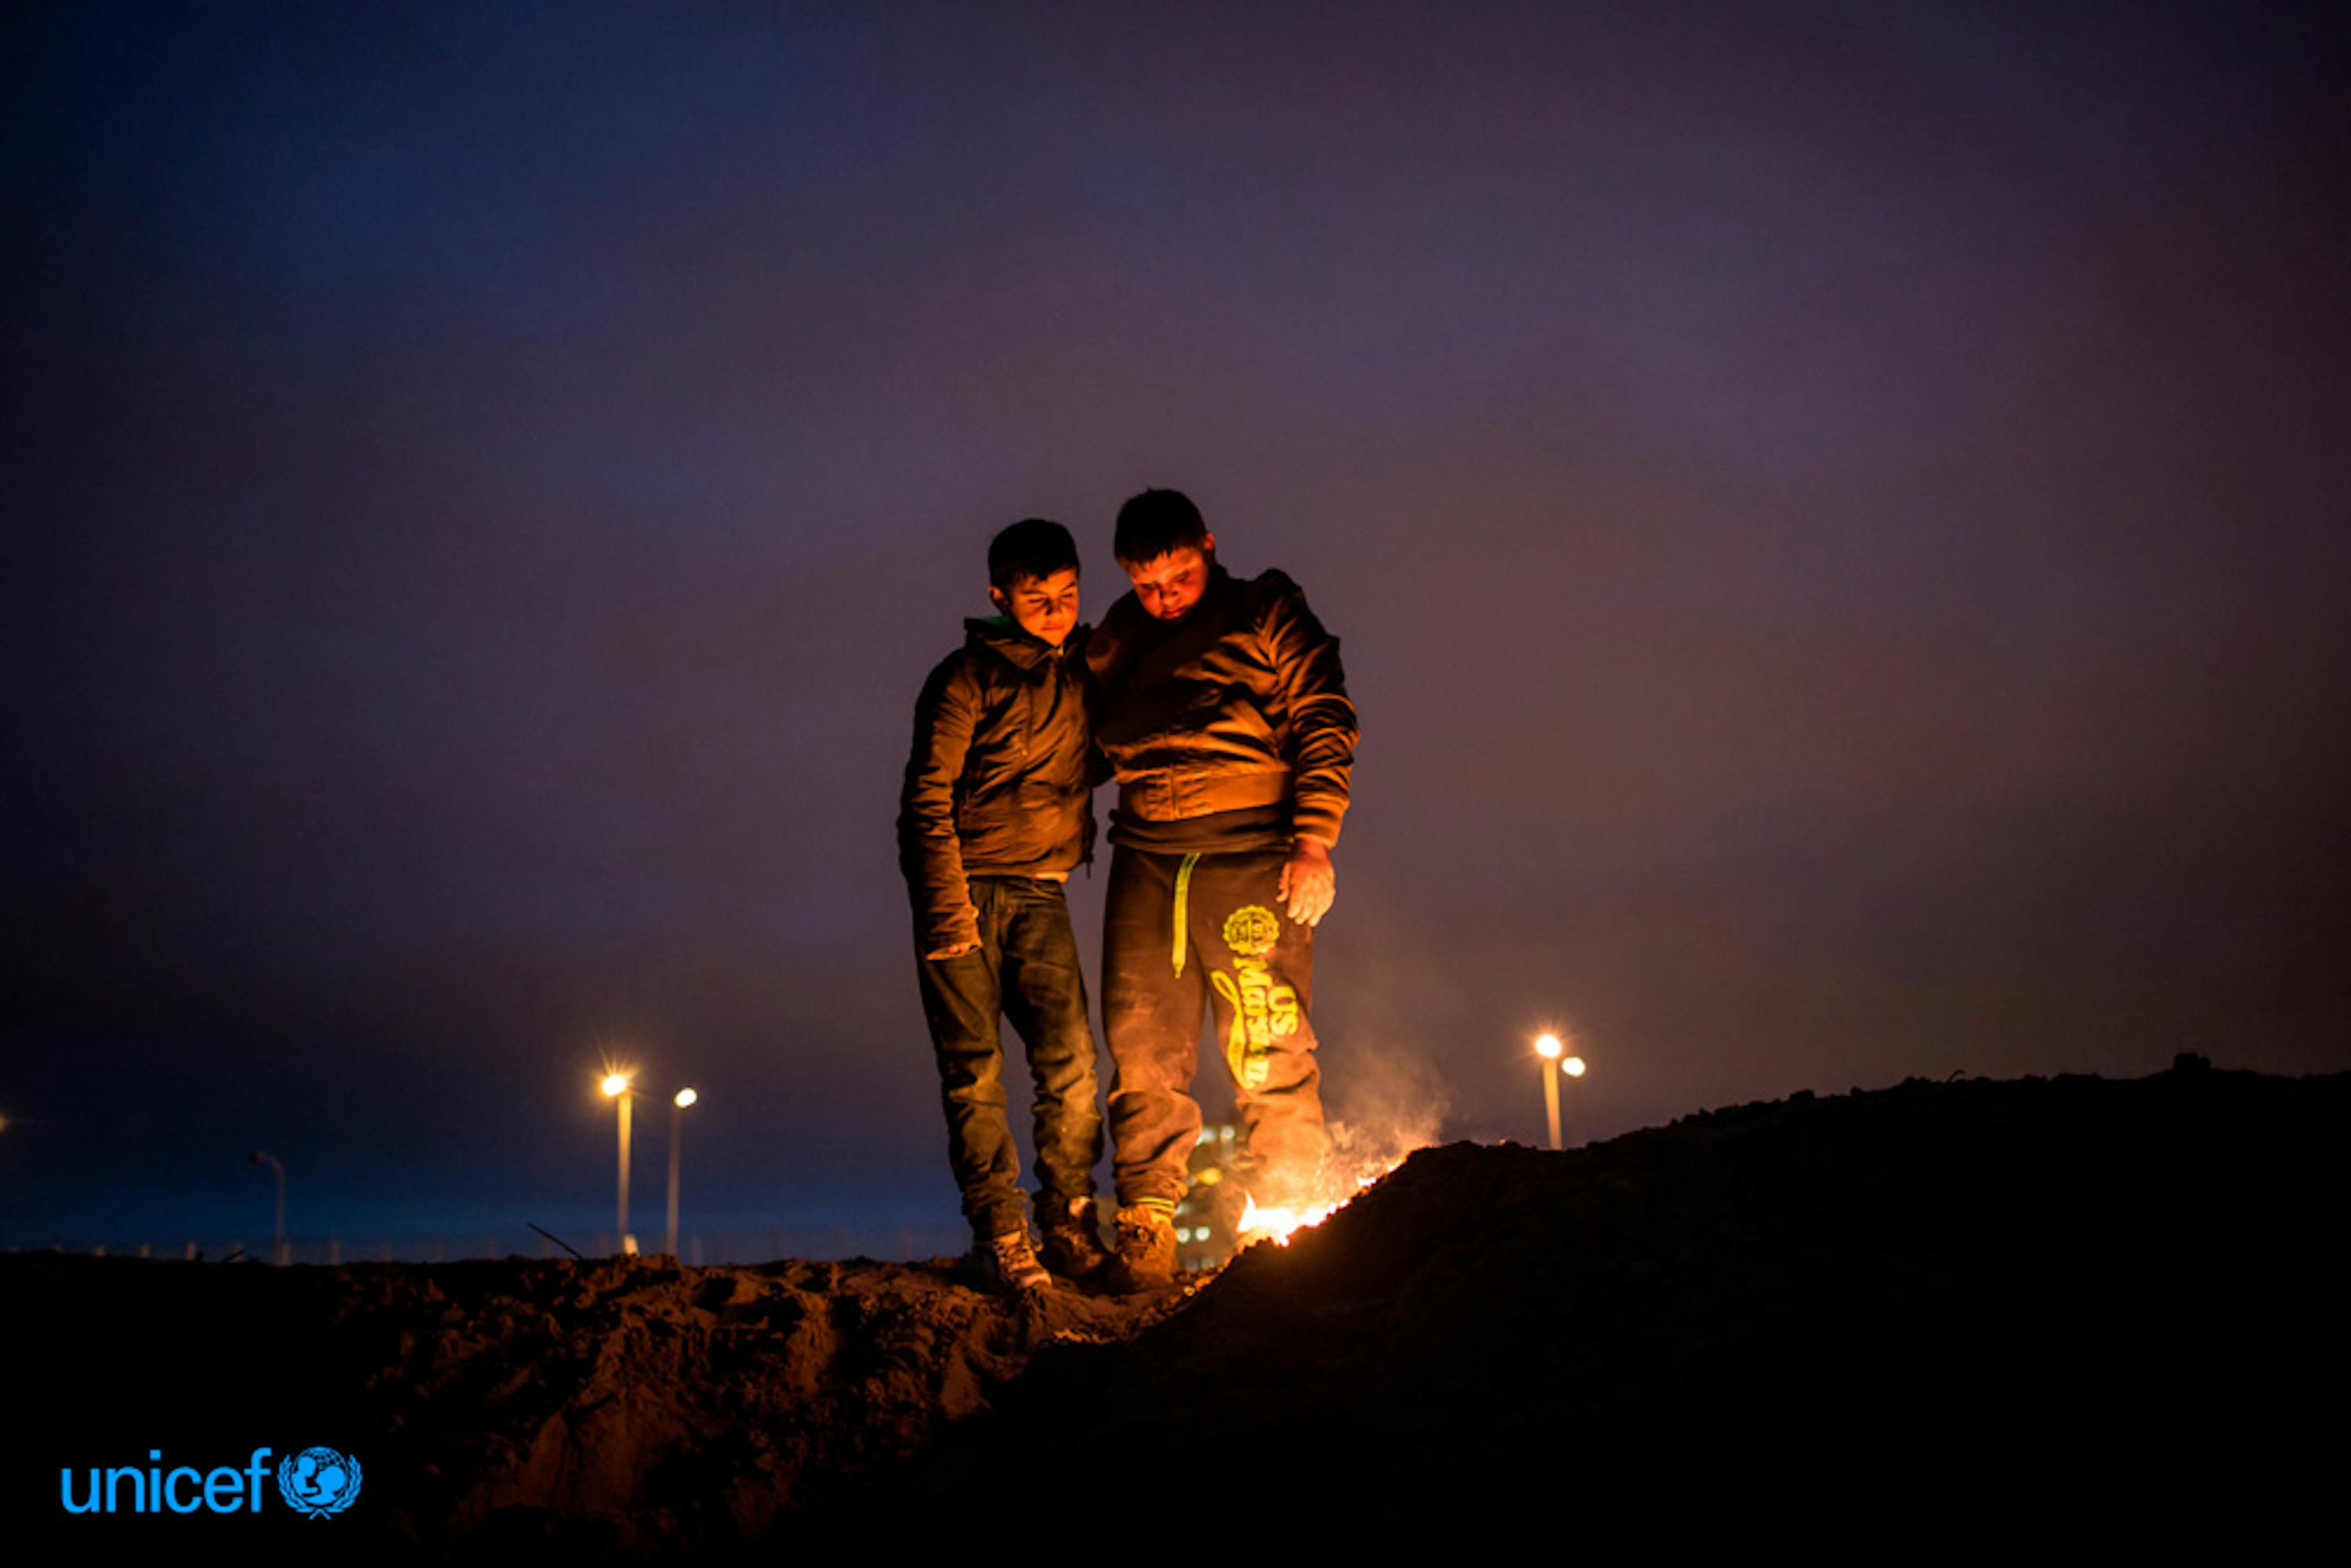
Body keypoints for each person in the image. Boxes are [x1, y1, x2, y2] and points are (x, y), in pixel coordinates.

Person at [1085, 488, 1358, 1291]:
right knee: (1141, 1047)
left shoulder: (1266, 609)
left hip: (1252, 855)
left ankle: (1286, 1214)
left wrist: (1315, 842)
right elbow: (1079, 740)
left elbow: (1326, 715)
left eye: (1178, 578)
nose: (1163, 599)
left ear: (1209, 546)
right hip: (1146, 858)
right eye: (1147, 586)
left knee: (1267, 1039)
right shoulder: (1119, 637)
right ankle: (1145, 1227)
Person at [897, 518, 1110, 1294]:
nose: (1055, 610)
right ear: (999, 595)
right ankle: (1000, 1233)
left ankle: (1070, 1223)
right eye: (1035, 597)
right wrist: (944, 909)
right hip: (963, 890)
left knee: (1072, 1063)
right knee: (974, 1071)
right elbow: (925, 797)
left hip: (1041, 891)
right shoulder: (962, 679)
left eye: (1066, 595)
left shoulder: (1087, 673)